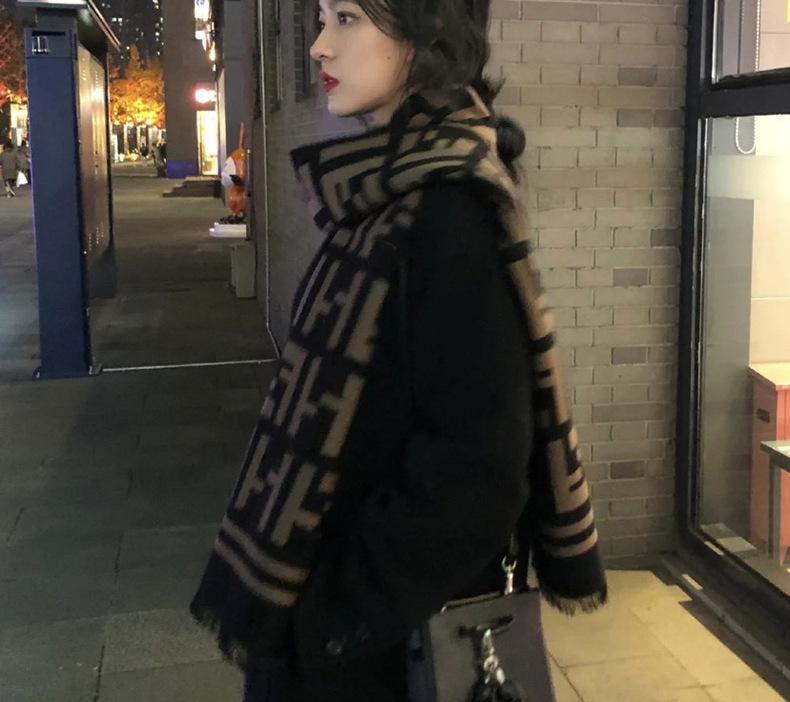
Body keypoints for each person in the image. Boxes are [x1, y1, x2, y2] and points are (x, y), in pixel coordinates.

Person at [191, 0, 608, 700]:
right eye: (321, 18)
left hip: (379, 656)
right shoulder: (385, 189)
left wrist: (330, 618)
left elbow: (478, 472)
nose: (320, 46)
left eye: (348, 18)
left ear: (429, 30)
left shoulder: (447, 214)